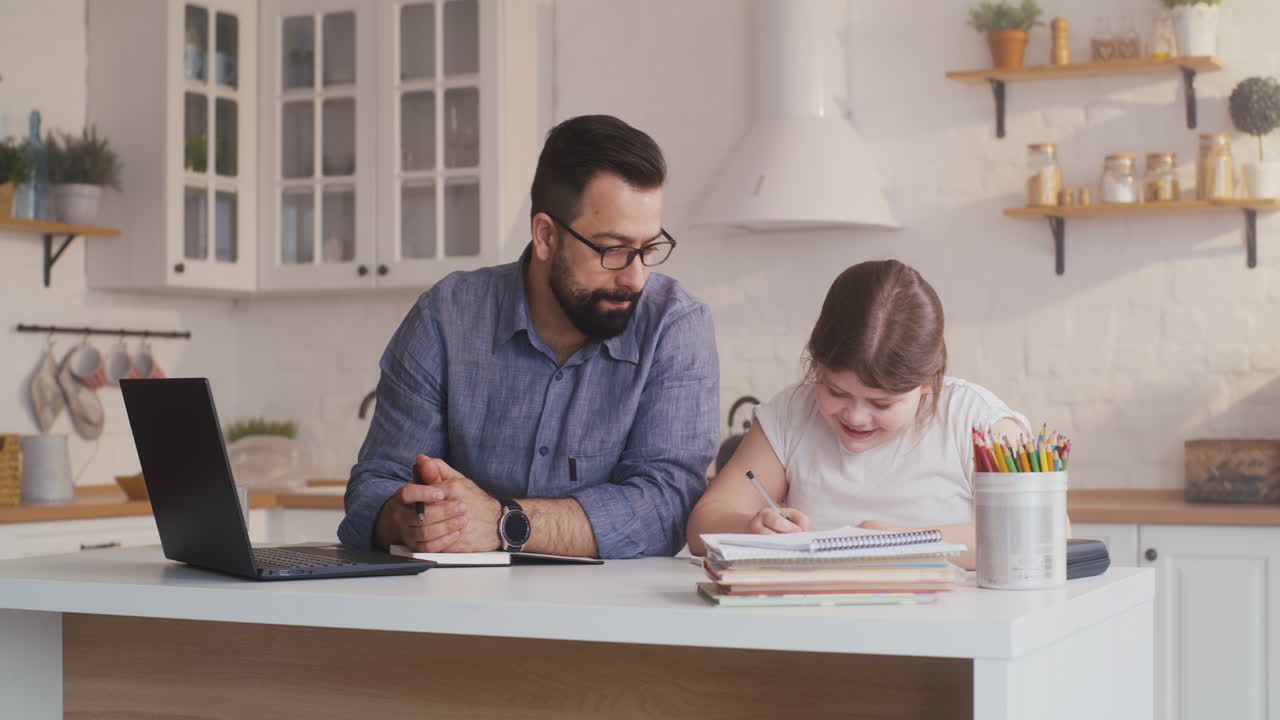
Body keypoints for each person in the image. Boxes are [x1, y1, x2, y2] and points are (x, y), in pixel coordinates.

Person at [337, 115, 719, 559]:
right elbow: (375, 487)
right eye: (613, 250)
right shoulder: (446, 316)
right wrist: (411, 517)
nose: (636, 277)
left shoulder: (674, 325)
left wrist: (503, 523)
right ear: (545, 236)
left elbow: (667, 506)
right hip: (453, 598)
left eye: (649, 248)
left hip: (610, 602)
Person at [686, 259, 1038, 570]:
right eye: (836, 391)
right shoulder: (792, 414)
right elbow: (703, 522)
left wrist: (902, 544)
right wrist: (750, 528)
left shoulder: (976, 422)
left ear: (927, 383)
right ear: (816, 365)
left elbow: (1041, 530)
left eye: (882, 404)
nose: (856, 417)